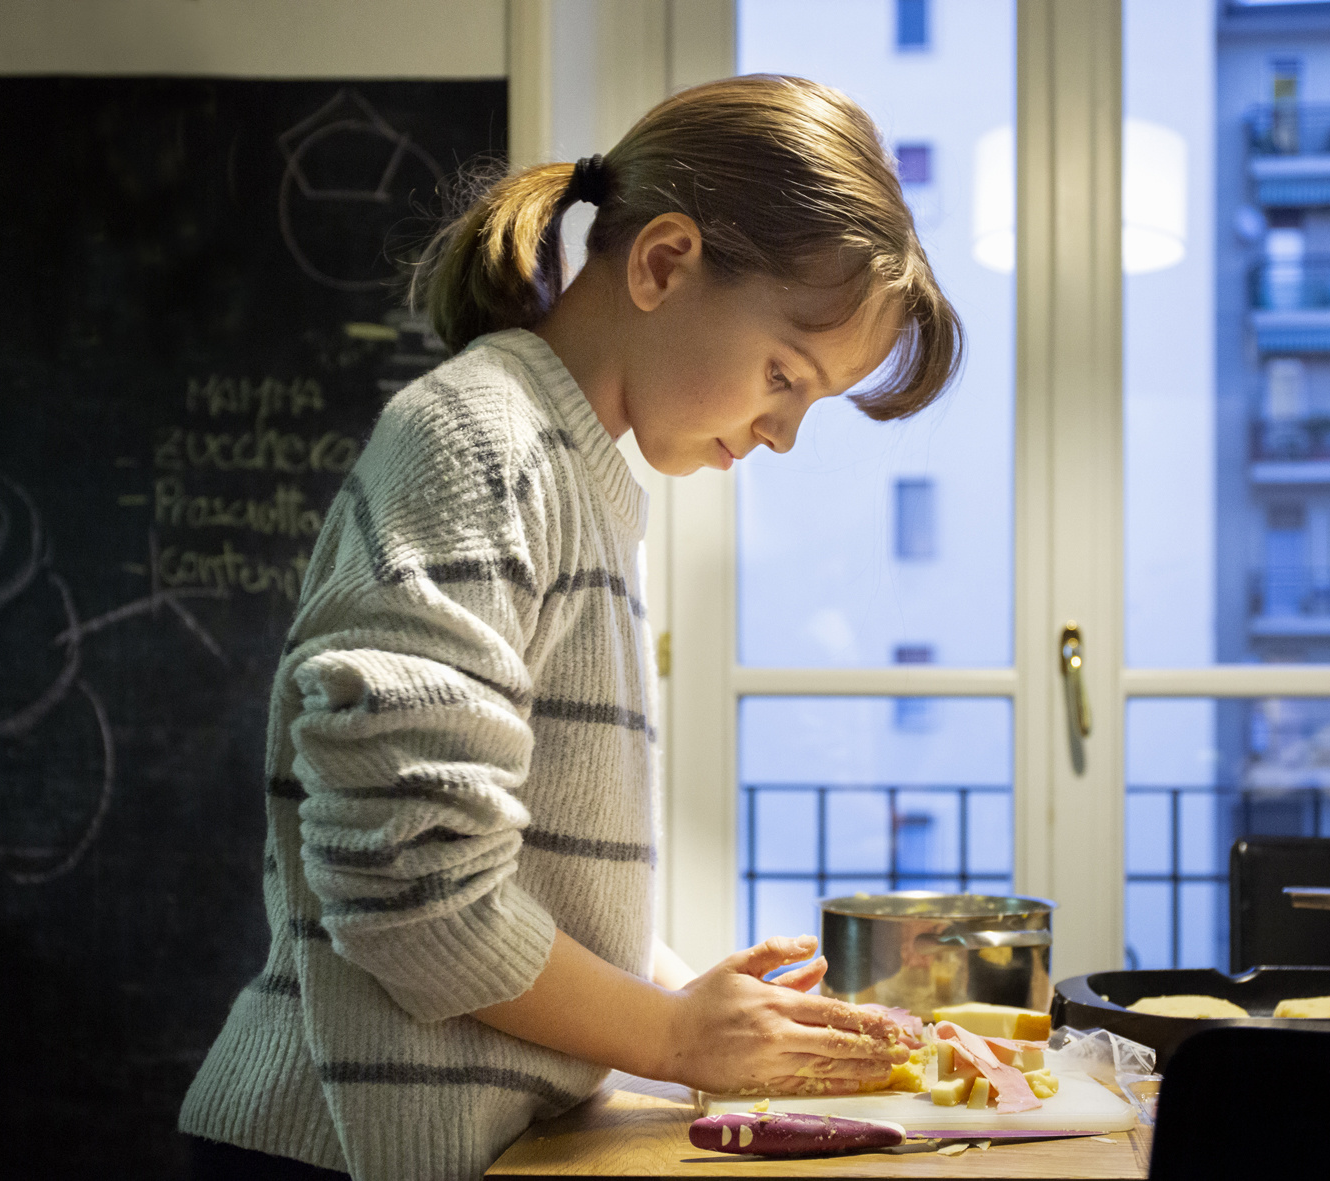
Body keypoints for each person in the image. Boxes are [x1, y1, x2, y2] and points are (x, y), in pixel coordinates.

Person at [179, 74, 963, 1181]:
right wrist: (672, 1035)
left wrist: (670, 1001)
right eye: (784, 373)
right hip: (332, 1148)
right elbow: (411, 890)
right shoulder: (481, 444)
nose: (784, 432)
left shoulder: (579, 475)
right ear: (661, 263)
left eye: (812, 399)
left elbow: (513, 886)